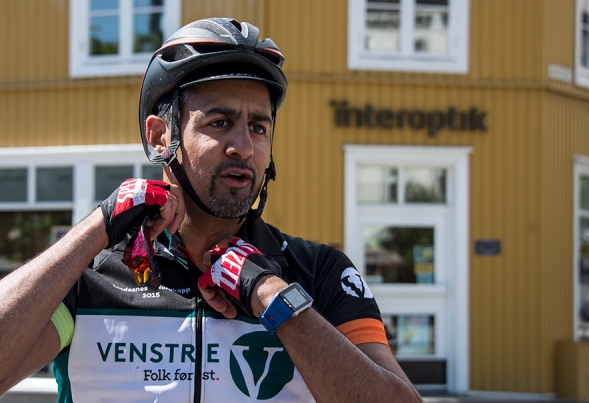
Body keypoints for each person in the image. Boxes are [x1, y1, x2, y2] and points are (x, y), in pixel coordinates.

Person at [0, 17, 423, 403]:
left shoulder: (318, 272)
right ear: (160, 133)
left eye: (258, 127)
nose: (244, 146)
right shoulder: (90, 273)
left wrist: (275, 298)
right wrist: (98, 227)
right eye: (219, 123)